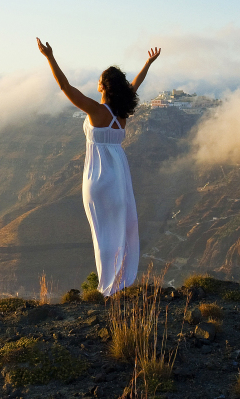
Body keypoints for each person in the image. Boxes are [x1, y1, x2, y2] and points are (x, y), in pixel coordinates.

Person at [36, 38, 161, 295]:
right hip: (119, 178)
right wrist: (147, 64)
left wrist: (49, 57)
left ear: (103, 85)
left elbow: (64, 86)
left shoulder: (96, 110)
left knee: (102, 232)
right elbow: (135, 86)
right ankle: (119, 282)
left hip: (97, 178)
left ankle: (107, 286)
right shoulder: (122, 113)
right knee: (120, 228)